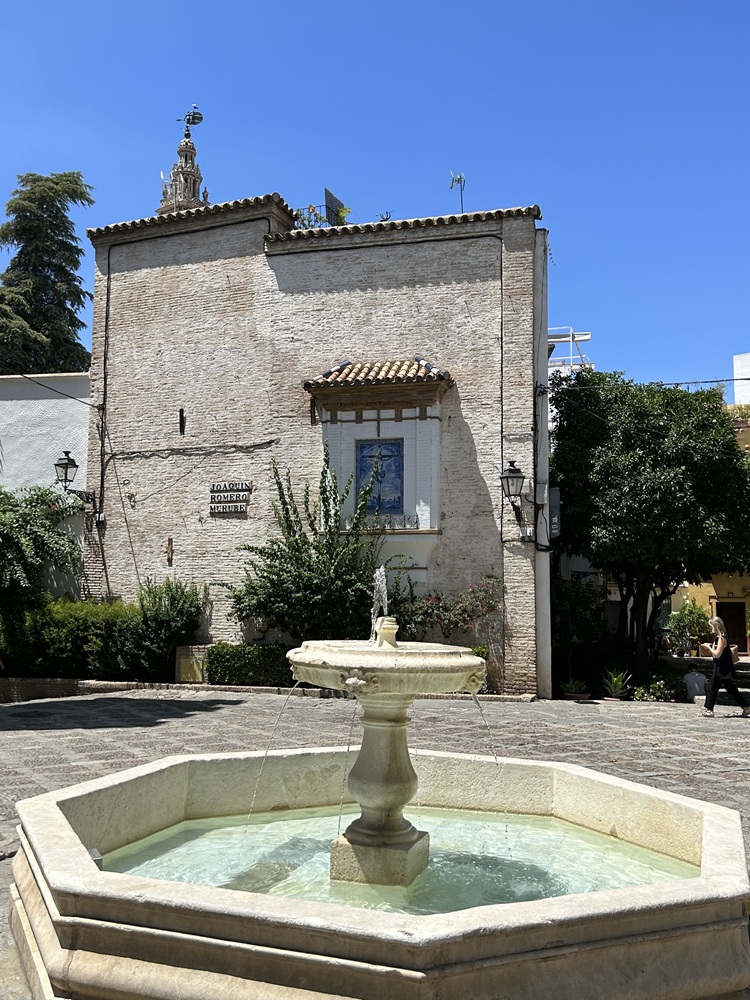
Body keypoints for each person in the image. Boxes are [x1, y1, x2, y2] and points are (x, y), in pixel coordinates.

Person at [699, 616, 750, 718]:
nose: (710, 629)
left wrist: (708, 647)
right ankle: (746, 707)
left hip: (721, 668)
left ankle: (709, 710)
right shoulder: (719, 638)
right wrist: (711, 646)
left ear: (716, 626)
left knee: (711, 687)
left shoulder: (721, 639)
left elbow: (717, 654)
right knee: (730, 688)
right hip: (722, 668)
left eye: (711, 626)